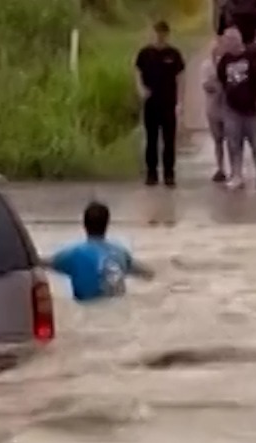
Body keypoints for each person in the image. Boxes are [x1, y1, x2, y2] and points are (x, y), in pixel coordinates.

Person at [47, 199, 154, 302]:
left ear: (84, 224)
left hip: (86, 308)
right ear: (107, 224)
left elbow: (41, 263)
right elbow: (148, 274)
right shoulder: (121, 253)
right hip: (118, 308)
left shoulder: (73, 255)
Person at [217, 27, 256, 191]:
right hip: (232, 109)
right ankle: (236, 175)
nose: (228, 44)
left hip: (252, 108)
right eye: (226, 41)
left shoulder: (253, 55)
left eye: (231, 40)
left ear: (238, 40)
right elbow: (222, 84)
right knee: (234, 144)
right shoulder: (224, 61)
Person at [135, 20, 185, 188]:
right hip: (151, 102)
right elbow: (137, 71)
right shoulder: (145, 53)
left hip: (168, 102)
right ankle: (151, 173)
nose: (160, 36)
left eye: (163, 33)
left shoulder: (173, 54)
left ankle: (169, 174)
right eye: (157, 33)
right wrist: (141, 88)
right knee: (151, 139)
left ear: (167, 34)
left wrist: (180, 101)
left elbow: (180, 77)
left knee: (169, 141)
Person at [200, 34, 231, 183]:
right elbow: (206, 85)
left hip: (229, 108)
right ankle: (220, 168)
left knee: (233, 139)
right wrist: (218, 85)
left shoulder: (231, 64)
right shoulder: (207, 66)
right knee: (218, 140)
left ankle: (234, 168)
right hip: (213, 107)